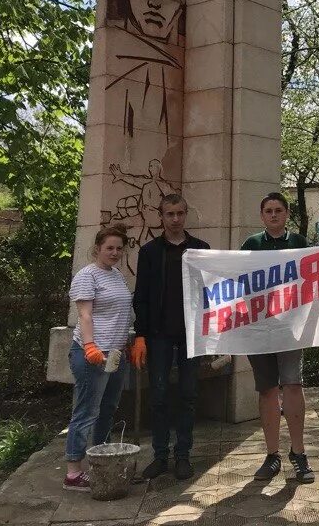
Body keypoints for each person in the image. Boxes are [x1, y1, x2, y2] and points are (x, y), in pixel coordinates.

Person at [131, 194, 210, 481]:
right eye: (169, 214)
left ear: (186, 214)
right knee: (159, 395)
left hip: (191, 335)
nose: (175, 219)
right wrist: (140, 335)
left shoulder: (201, 249)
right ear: (161, 217)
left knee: (188, 396)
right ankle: (161, 456)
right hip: (159, 335)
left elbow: (210, 294)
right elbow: (140, 297)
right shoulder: (150, 252)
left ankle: (183, 456)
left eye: (179, 213)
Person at [239, 192, 314, 484]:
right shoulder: (251, 244)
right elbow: (239, 282)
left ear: (287, 214)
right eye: (268, 210)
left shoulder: (298, 243)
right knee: (267, 389)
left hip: (290, 329)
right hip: (259, 329)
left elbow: (310, 280)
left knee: (293, 384)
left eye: (278, 210)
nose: (273, 215)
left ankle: (299, 453)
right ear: (261, 216)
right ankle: (272, 456)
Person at [63, 225, 133, 491]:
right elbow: (85, 315)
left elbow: (122, 311)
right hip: (92, 354)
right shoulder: (87, 275)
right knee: (86, 411)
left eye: (118, 248)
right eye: (109, 248)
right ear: (97, 249)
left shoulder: (117, 275)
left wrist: (133, 340)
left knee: (108, 409)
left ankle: (101, 460)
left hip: (115, 353)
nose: (114, 253)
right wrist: (91, 346)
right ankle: (73, 472)